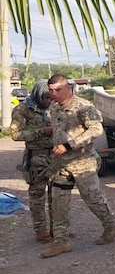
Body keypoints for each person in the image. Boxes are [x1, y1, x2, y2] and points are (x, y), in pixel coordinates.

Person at [40, 74, 115, 258]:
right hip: (62, 163)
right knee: (58, 198)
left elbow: (96, 129)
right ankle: (61, 241)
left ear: (69, 88)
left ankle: (111, 227)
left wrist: (69, 145)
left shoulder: (83, 106)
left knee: (93, 198)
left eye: (58, 90)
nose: (54, 94)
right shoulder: (54, 107)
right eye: (51, 90)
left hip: (83, 162)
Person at [10, 82, 54, 242]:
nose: (49, 100)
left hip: (55, 156)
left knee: (56, 195)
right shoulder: (23, 109)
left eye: (51, 97)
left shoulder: (53, 107)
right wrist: (41, 132)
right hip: (36, 158)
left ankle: (57, 229)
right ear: (38, 95)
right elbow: (16, 134)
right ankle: (40, 230)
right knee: (37, 196)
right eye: (46, 98)